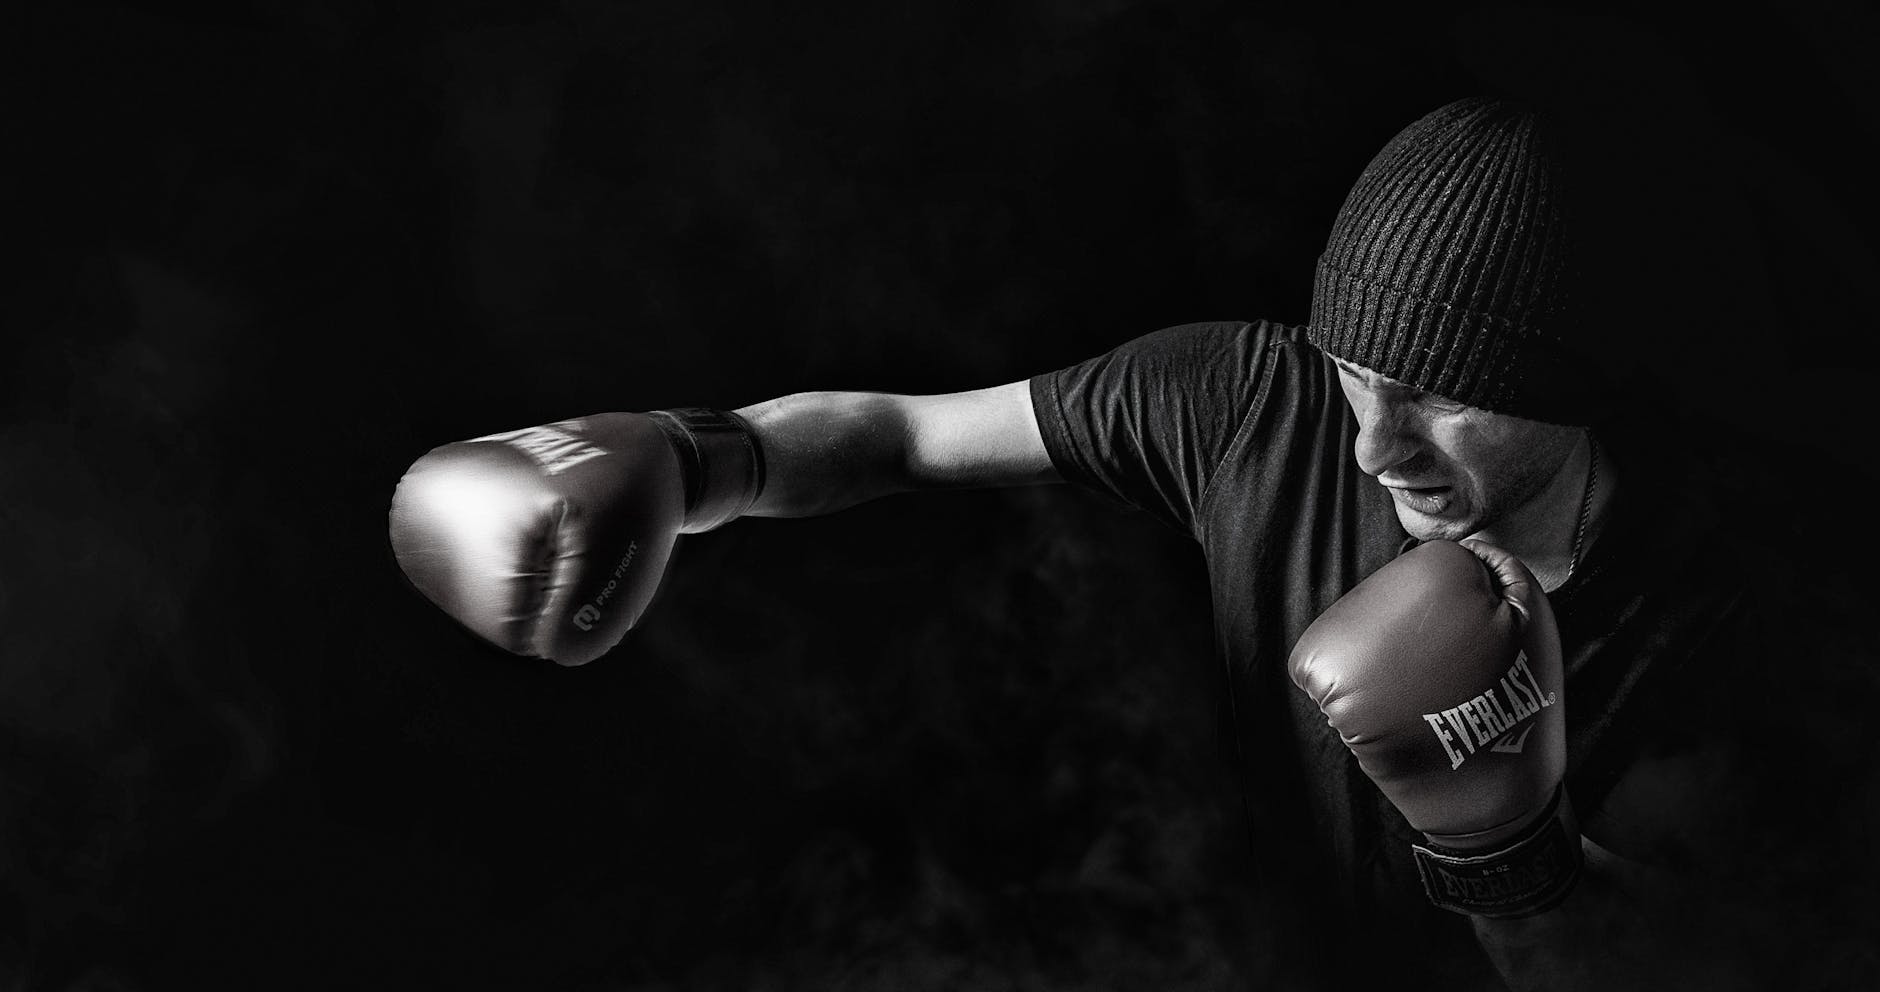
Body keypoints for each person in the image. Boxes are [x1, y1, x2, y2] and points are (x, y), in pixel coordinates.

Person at [388, 98, 1878, 989]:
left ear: (1575, 383)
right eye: (1359, 380)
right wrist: (693, 456)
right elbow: (898, 435)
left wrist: (1505, 852)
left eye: (1440, 403)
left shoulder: (1741, 617)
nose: (1375, 447)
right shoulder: (1246, 401)